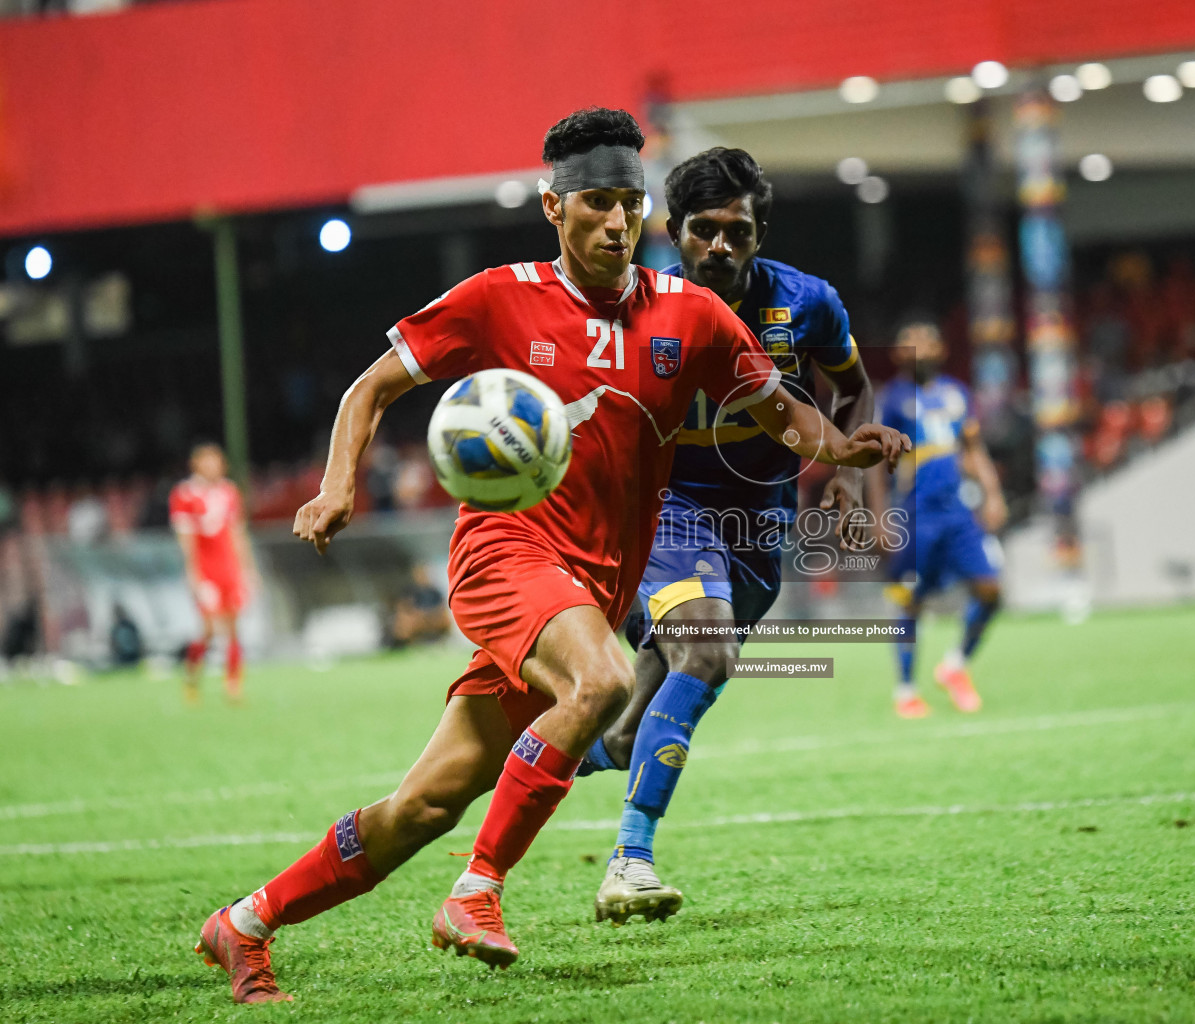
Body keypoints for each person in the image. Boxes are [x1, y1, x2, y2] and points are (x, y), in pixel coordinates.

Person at [193, 107, 907, 1004]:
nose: (618, 222)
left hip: (595, 587)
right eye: (598, 203)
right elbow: (370, 388)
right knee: (605, 685)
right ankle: (478, 892)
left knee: (424, 806)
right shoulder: (499, 298)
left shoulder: (691, 314)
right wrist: (340, 487)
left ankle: (246, 923)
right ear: (553, 208)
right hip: (507, 555)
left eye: (631, 204)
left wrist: (840, 450)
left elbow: (780, 409)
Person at [571, 147, 874, 925]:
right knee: (706, 652)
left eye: (735, 231)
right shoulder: (628, 306)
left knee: (646, 709)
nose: (719, 247)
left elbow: (853, 385)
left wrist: (847, 473)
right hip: (665, 514)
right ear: (675, 232)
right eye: (702, 230)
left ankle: (580, 752)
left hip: (755, 524)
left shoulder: (807, 304)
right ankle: (630, 860)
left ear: (759, 231)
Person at [876, 320, 1006, 719]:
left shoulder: (957, 393)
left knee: (990, 591)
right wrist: (878, 514)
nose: (921, 348)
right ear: (898, 354)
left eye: (928, 340)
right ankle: (906, 691)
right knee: (912, 603)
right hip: (917, 516)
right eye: (910, 341)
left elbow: (972, 449)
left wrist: (993, 493)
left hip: (958, 514)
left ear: (942, 349)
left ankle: (954, 667)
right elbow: (871, 464)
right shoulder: (891, 399)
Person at [169, 442, 258, 702]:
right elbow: (186, 540)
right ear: (196, 465)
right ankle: (192, 676)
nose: (213, 467)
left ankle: (233, 685)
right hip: (205, 570)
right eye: (207, 462)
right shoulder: (184, 494)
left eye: (216, 461)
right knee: (208, 629)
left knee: (233, 626)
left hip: (228, 568)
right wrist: (193, 574)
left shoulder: (229, 492)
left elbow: (237, 534)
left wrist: (248, 570)